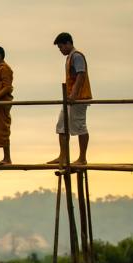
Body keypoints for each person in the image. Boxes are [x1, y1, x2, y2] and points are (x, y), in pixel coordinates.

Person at [48, 32, 92, 165]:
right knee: (62, 126)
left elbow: (81, 75)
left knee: (79, 126)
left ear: (68, 43)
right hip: (70, 98)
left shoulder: (77, 56)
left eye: (61, 47)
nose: (61, 50)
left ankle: (82, 158)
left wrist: (73, 94)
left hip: (79, 98)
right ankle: (63, 156)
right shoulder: (69, 57)